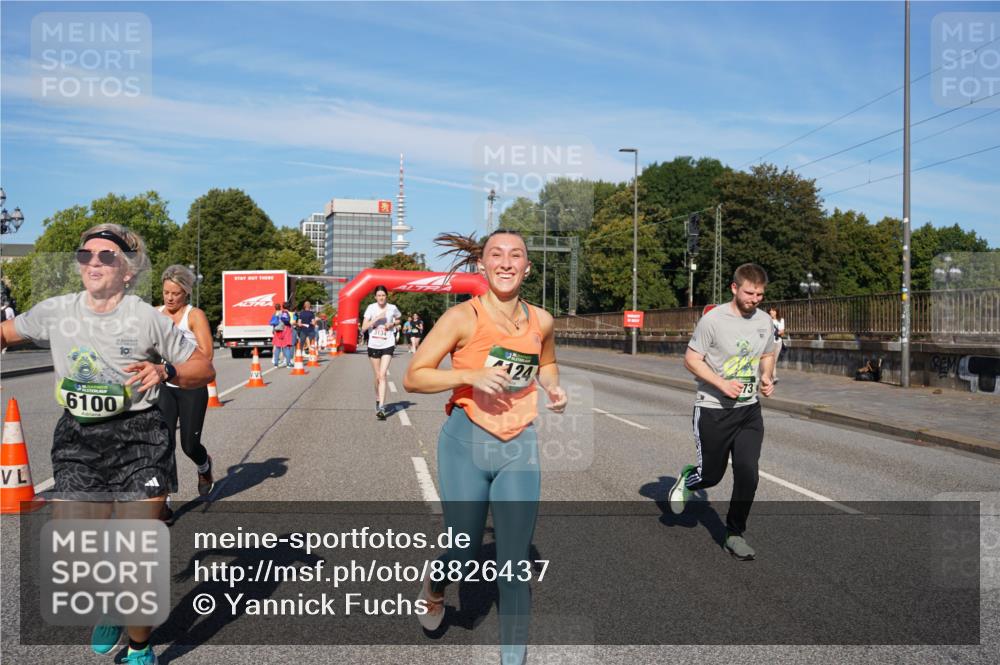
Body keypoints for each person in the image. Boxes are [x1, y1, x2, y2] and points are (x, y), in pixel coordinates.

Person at [0, 223, 215, 665]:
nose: (93, 262)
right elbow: (5, 334)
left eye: (106, 256)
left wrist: (166, 373)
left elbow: (203, 368)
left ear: (128, 271)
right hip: (78, 436)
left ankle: (139, 649)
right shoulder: (56, 310)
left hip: (140, 435)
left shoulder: (147, 317)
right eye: (85, 256)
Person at [403, 230, 568, 665]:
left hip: (519, 445)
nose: (507, 262)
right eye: (497, 254)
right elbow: (415, 376)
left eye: (516, 255)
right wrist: (469, 377)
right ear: (483, 265)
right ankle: (435, 587)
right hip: (466, 442)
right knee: (462, 551)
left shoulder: (542, 320)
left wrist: (552, 388)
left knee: (514, 567)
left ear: (528, 268)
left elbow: (547, 362)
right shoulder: (462, 317)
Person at [668, 263, 776, 561]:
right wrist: (720, 383)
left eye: (760, 295)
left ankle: (734, 533)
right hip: (713, 408)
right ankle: (688, 478)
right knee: (711, 476)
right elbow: (691, 360)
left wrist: (767, 376)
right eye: (749, 293)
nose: (754, 299)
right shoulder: (713, 321)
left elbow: (767, 353)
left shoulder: (765, 321)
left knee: (748, 473)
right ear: (734, 288)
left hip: (748, 411)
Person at [157, 265, 216, 518]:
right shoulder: (155, 315)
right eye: (166, 292)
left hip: (192, 387)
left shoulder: (194, 316)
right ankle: (164, 502)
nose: (170, 298)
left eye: (176, 293)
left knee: (188, 445)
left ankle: (204, 466)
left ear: (186, 293)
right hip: (165, 388)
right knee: (162, 444)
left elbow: (207, 355)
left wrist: (176, 365)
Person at [361, 286, 401, 420]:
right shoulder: (371, 308)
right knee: (377, 376)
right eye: (379, 295)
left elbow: (399, 319)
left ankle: (382, 407)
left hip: (388, 344)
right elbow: (363, 328)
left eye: (383, 295)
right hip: (373, 345)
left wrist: (392, 324)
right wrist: (376, 319)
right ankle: (378, 398)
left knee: (383, 375)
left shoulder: (392, 308)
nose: (381, 297)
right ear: (375, 297)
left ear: (386, 296)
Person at [269, 302, 292, 367]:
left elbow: (273, 323)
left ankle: (276, 363)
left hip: (277, 331)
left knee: (277, 347)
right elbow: (287, 321)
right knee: (286, 347)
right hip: (285, 330)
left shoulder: (275, 314)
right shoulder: (284, 313)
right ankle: (288, 363)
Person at [768, 307, 785, 382]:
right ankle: (772, 377)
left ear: (776, 312)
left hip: (778, 342)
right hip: (769, 342)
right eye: (770, 310)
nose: (771, 312)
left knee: (774, 360)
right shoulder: (767, 320)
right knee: (770, 360)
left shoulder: (781, 320)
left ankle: (772, 377)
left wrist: (778, 333)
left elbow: (782, 331)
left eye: (773, 310)